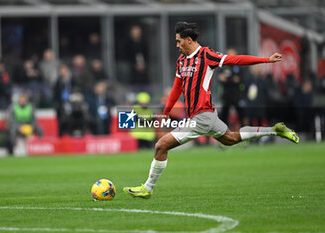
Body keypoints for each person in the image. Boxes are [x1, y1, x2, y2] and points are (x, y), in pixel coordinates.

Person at [123, 22, 299, 199]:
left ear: (189, 40)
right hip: (206, 116)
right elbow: (177, 87)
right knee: (230, 139)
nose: (176, 45)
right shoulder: (182, 61)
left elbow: (235, 60)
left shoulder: (206, 55)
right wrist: (167, 111)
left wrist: (266, 60)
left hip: (202, 116)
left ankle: (147, 188)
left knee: (161, 145)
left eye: (179, 41)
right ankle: (275, 130)